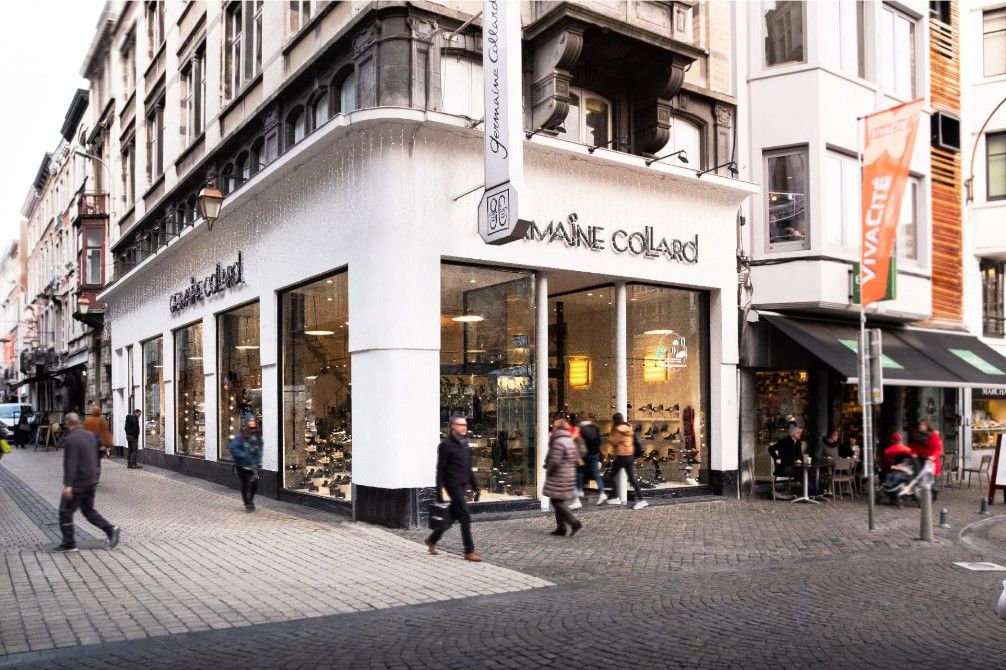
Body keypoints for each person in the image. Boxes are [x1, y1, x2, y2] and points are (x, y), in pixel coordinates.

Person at [56, 413, 121, 552]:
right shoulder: (90, 436)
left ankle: (69, 543)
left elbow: (71, 462)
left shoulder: (71, 439)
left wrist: (68, 485)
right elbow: (96, 456)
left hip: (78, 483)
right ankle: (111, 530)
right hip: (91, 480)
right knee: (88, 511)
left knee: (65, 511)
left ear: (67, 423)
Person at [425, 415, 482, 561]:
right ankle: (469, 551)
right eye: (461, 425)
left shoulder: (464, 444)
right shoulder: (445, 445)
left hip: (462, 485)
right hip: (452, 485)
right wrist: (438, 492)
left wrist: (475, 487)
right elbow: (440, 470)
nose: (464, 427)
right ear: (453, 426)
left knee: (452, 515)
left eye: (465, 425)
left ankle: (432, 539)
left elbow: (468, 468)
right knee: (465, 517)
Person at [542, 418, 583, 537]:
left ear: (557, 428)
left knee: (556, 501)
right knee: (559, 500)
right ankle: (561, 528)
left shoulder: (558, 441)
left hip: (559, 475)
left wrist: (549, 470)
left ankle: (574, 523)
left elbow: (555, 461)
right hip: (568, 474)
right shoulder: (569, 440)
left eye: (554, 426)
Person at [606, 416, 648, 509]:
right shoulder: (628, 427)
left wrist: (612, 434)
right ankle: (641, 500)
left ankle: (615, 496)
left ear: (614, 421)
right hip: (629, 455)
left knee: (612, 476)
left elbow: (613, 441)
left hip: (621, 456)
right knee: (632, 479)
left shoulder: (618, 429)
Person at [228, 413, 263, 511]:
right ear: (246, 422)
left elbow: (259, 447)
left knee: (255, 484)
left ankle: (251, 500)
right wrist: (244, 455)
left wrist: (258, 458)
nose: (252, 423)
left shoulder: (256, 434)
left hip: (254, 465)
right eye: (250, 421)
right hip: (241, 465)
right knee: (245, 484)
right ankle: (247, 503)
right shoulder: (240, 436)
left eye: (253, 421)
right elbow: (232, 448)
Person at [576, 411, 608, 506]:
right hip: (595, 454)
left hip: (585, 454)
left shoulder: (580, 429)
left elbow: (579, 443)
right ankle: (602, 493)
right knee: (596, 474)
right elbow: (599, 441)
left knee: (580, 472)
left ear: (580, 418)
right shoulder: (595, 427)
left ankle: (579, 492)